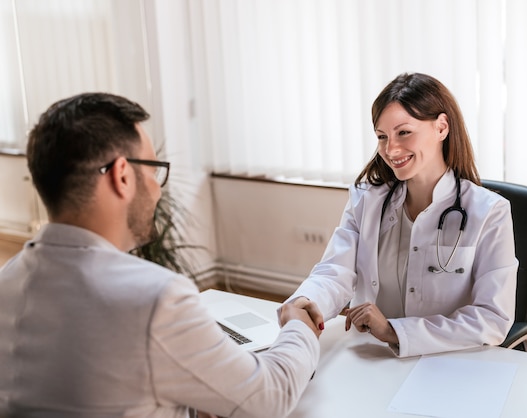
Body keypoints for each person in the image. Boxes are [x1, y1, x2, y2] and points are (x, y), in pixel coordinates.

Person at [0, 92, 321, 418]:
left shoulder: (7, 279)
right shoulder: (156, 297)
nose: (157, 188)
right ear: (122, 175)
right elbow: (271, 396)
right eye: (153, 170)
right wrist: (298, 327)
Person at [284, 72, 518, 358]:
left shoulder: (489, 212)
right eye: (382, 137)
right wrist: (306, 301)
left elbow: (493, 317)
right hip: (375, 357)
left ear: (441, 127)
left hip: (451, 362)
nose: (390, 149)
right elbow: (336, 271)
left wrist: (395, 330)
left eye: (404, 132)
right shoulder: (367, 199)